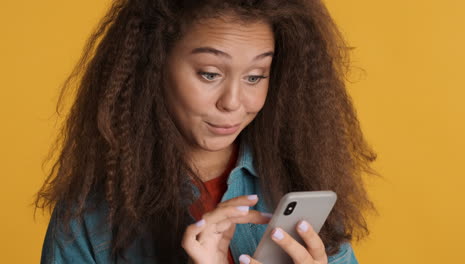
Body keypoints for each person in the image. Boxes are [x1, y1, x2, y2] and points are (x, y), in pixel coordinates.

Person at [35, 0, 378, 263]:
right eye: (210, 74)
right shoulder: (89, 217)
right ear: (153, 64)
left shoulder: (302, 183)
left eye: (255, 76)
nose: (233, 102)